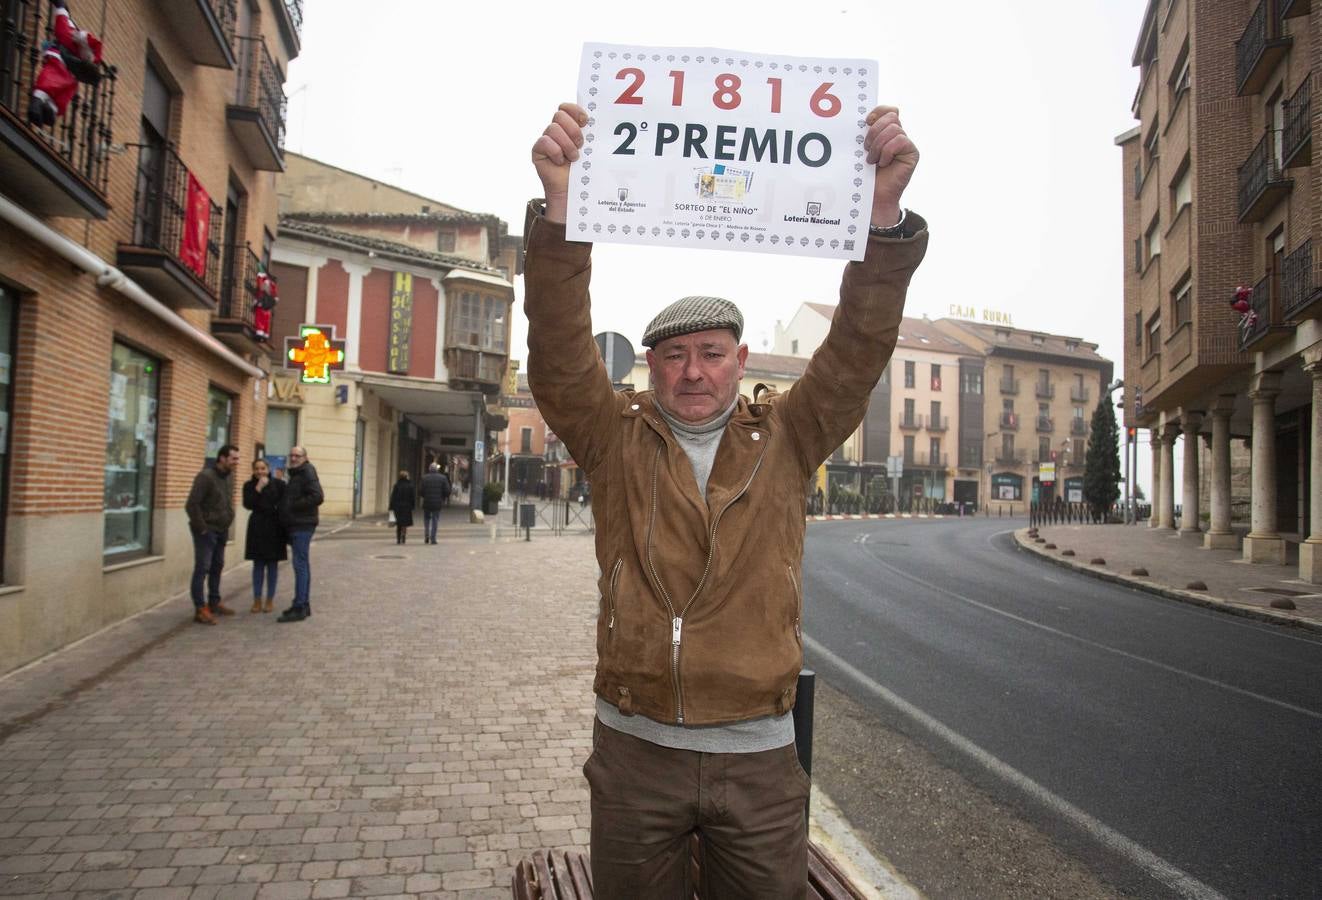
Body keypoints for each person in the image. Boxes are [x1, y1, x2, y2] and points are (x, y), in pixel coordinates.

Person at [526, 101, 926, 899]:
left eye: (711, 353)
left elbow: (855, 352)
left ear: (741, 360)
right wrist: (564, 208)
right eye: (674, 356)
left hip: (759, 759)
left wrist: (880, 218)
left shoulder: (790, 434)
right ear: (650, 365)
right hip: (636, 752)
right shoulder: (613, 436)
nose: (693, 371)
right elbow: (560, 350)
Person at [185, 444, 241, 625]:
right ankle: (200, 608)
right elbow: (192, 505)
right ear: (222, 458)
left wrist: (229, 517)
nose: (236, 462)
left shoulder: (229, 477)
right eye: (233, 458)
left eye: (237, 458)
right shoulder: (205, 477)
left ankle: (214, 602)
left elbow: (226, 501)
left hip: (221, 529)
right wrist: (202, 528)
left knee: (217, 566)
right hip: (206, 531)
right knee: (203, 568)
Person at [277, 446, 323, 623]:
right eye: (292, 455)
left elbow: (317, 496)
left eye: (298, 455)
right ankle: (302, 603)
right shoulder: (297, 473)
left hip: (302, 524)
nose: (294, 458)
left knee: (300, 565)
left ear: (305, 457)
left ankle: (300, 606)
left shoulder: (307, 472)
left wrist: (293, 505)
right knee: (302, 564)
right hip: (298, 524)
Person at [242, 457, 286, 613]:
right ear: (253, 471)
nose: (260, 471)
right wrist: (258, 488)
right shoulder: (249, 486)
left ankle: (270, 600)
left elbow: (283, 505)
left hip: (274, 527)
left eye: (263, 468)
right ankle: (257, 600)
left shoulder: (279, 485)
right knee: (258, 565)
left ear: (268, 469)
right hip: (257, 527)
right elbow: (248, 504)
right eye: (257, 469)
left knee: (272, 566)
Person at [420, 462, 451, 544]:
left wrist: (425, 496)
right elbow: (447, 491)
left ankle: (426, 534)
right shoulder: (443, 478)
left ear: (429, 469)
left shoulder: (424, 478)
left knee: (426, 519)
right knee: (435, 520)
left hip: (427, 502)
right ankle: (433, 538)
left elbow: (421, 491)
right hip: (437, 502)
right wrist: (443, 497)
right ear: (437, 469)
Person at [389, 470, 416, 544]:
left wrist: (391, 507)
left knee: (399, 523)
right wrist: (413, 506)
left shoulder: (397, 485)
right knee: (405, 523)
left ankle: (398, 539)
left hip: (398, 507)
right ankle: (403, 537)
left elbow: (393, 497)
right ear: (407, 477)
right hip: (407, 507)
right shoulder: (410, 486)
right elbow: (412, 497)